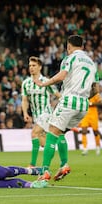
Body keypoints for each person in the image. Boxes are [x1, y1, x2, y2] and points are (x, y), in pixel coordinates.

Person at [33, 35, 98, 181]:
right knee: (60, 133)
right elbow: (96, 90)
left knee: (51, 133)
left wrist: (44, 83)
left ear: (69, 46)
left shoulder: (70, 58)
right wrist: (82, 98)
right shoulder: (92, 63)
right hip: (83, 105)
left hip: (69, 100)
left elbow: (61, 76)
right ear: (82, 46)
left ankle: (44, 173)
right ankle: (63, 165)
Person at [21, 56, 61, 167]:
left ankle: (32, 165)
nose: (31, 68)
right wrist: (25, 113)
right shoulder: (25, 83)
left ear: (40, 67)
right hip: (36, 116)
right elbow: (24, 100)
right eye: (29, 66)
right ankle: (59, 144)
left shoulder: (46, 81)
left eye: (34, 65)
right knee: (44, 143)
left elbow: (57, 95)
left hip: (46, 113)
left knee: (34, 133)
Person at [78, 82, 102, 155]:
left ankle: (97, 147)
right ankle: (85, 149)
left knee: (95, 132)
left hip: (93, 115)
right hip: (85, 115)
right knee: (84, 131)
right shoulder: (83, 94)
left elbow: (100, 103)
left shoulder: (95, 94)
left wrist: (91, 104)